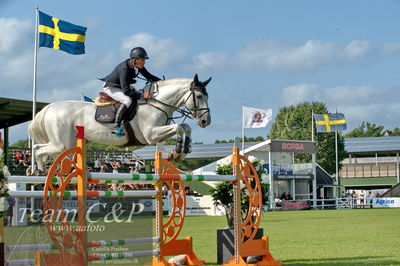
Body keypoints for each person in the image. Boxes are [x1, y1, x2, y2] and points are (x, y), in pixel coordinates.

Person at [100, 47, 161, 134]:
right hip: (111, 87)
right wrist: (142, 95)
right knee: (127, 100)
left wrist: (163, 82)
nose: (144, 62)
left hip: (120, 86)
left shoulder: (137, 66)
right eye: (142, 60)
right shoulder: (124, 68)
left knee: (134, 96)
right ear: (135, 60)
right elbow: (126, 91)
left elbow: (149, 76)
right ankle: (116, 126)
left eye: (144, 60)